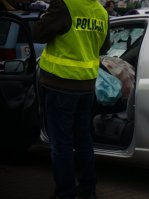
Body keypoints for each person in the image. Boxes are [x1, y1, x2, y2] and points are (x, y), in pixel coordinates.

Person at [32, 0, 110, 198]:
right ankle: (87, 190)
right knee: (83, 140)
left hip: (60, 85)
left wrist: (44, 15)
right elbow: (104, 47)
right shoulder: (101, 11)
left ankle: (65, 193)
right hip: (86, 87)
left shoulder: (64, 4)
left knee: (62, 144)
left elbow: (38, 34)